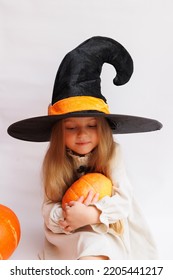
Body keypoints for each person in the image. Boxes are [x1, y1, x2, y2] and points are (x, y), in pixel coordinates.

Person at [7, 36, 162, 260]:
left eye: (91, 125)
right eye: (71, 127)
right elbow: (48, 207)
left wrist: (93, 213)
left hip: (106, 226)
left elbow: (124, 202)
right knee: (83, 243)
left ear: (104, 128)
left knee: (98, 246)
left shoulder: (113, 154)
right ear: (59, 132)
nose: (82, 134)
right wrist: (67, 216)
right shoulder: (55, 160)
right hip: (68, 231)